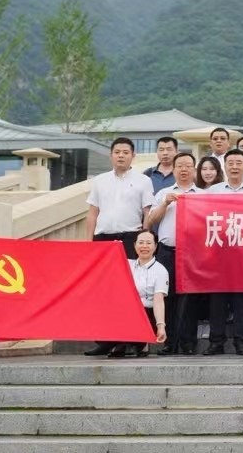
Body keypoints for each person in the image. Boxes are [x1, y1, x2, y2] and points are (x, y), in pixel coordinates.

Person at [83, 138, 154, 357]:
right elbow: (92, 213)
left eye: (125, 152)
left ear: (133, 155)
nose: (121, 155)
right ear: (111, 155)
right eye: (117, 152)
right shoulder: (100, 181)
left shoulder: (143, 181)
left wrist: (144, 241)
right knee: (103, 292)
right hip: (102, 239)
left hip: (130, 238)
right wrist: (89, 243)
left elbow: (147, 214)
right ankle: (105, 339)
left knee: (132, 291)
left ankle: (130, 340)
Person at [204, 150, 243, 355]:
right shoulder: (212, 192)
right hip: (218, 253)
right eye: (231, 163)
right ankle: (216, 341)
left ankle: (241, 341)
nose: (234, 166)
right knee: (217, 299)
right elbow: (203, 220)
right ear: (224, 166)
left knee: (242, 299)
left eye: (239, 163)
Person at [145, 151, 199, 355]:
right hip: (167, 252)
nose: (184, 169)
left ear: (194, 170)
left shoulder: (202, 195)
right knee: (166, 298)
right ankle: (168, 342)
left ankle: (188, 342)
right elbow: (151, 221)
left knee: (190, 299)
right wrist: (166, 203)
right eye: (180, 166)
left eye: (188, 166)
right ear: (173, 169)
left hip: (193, 254)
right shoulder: (163, 193)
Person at [114, 230, 169, 358]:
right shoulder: (127, 264)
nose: (144, 246)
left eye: (149, 243)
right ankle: (115, 343)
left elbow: (158, 300)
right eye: (141, 242)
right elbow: (109, 260)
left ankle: (135, 345)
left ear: (155, 246)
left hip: (146, 314)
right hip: (125, 312)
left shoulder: (160, 271)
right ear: (134, 245)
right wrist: (113, 248)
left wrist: (161, 326)